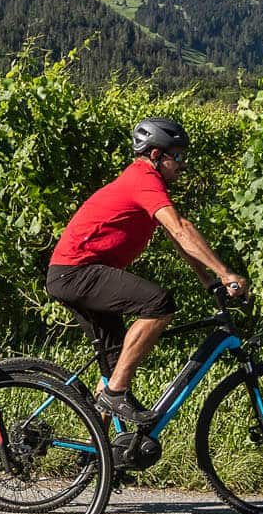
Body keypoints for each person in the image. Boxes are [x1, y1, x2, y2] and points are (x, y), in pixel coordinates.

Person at [45, 116, 247, 428]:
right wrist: (225, 273)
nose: (182, 164)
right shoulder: (143, 178)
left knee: (115, 365)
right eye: (176, 156)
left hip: (76, 273)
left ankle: (99, 448)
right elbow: (180, 229)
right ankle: (115, 393)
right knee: (158, 303)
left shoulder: (147, 183)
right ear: (155, 154)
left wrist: (208, 280)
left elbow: (178, 237)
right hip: (75, 273)